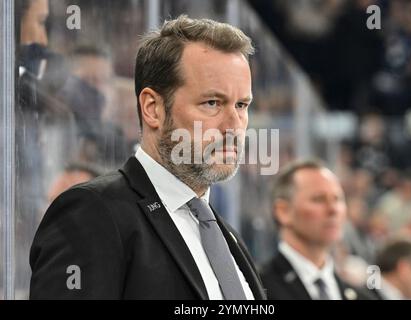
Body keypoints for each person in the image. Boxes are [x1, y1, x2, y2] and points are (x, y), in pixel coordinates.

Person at [29, 15, 266, 300]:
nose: (233, 126)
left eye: (242, 105)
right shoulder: (92, 213)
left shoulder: (227, 237)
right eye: (212, 103)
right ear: (152, 108)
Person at [260, 159, 375, 300]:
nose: (333, 209)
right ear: (283, 211)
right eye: (318, 199)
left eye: (338, 199)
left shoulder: (363, 297)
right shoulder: (255, 289)